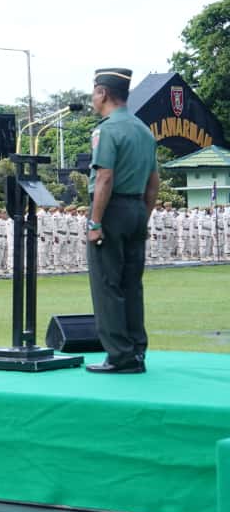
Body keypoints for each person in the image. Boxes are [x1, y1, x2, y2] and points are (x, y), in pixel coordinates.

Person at [85, 68, 159, 374]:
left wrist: (94, 222)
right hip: (137, 209)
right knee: (132, 285)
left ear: (103, 93)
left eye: (94, 92)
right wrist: (143, 215)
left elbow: (104, 177)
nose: (92, 98)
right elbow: (154, 182)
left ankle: (119, 355)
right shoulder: (143, 130)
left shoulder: (108, 130)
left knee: (107, 284)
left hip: (111, 210)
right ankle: (136, 350)